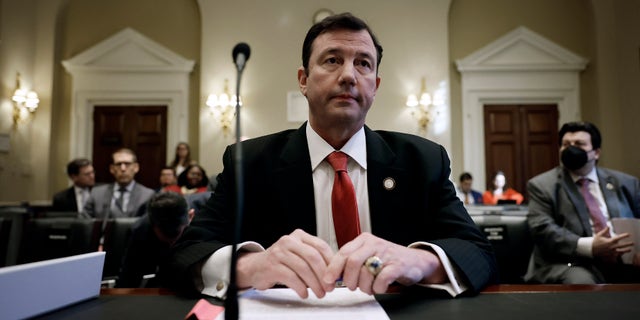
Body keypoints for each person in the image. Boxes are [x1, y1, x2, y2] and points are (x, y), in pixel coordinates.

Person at [165, 12, 496, 299]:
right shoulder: (249, 163)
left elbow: (478, 253)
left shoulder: (422, 160)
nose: (349, 75)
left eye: (363, 64)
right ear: (304, 80)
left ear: (375, 85)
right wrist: (253, 266)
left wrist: (420, 262)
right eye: (333, 60)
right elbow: (185, 255)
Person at [525, 121, 640, 284]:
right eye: (566, 144)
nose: (571, 149)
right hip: (571, 262)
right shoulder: (542, 185)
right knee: (583, 282)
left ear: (596, 152)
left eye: (579, 144)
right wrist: (590, 246)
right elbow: (541, 228)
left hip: (625, 258)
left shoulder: (626, 183)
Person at [117, 192, 194, 288]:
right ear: (152, 224)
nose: (172, 243)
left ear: (191, 216)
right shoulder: (140, 230)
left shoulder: (204, 224)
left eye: (175, 234)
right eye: (166, 236)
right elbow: (128, 278)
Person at [83, 148, 155, 218]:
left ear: (136, 167)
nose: (123, 168)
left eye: (127, 164)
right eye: (118, 164)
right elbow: (85, 224)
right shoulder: (97, 193)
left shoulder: (148, 195)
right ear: (111, 169)